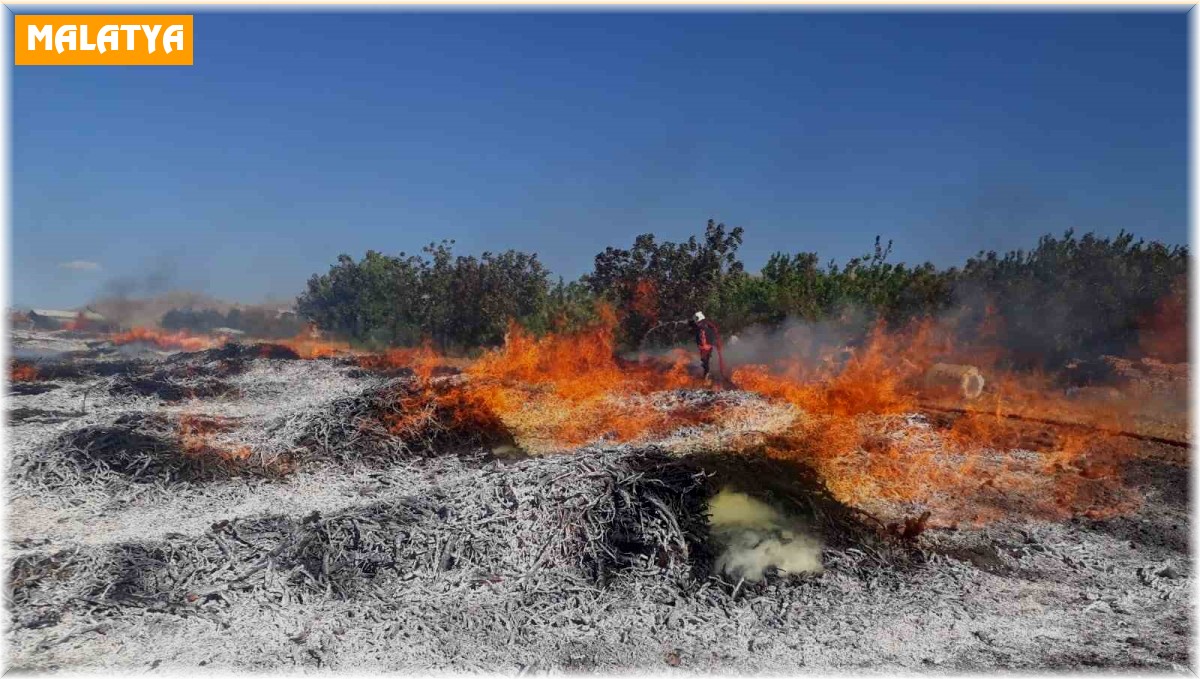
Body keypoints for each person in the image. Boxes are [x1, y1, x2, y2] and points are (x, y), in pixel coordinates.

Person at [690, 311, 726, 383]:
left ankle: (711, 378)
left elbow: (704, 338)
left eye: (696, 321)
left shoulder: (704, 327)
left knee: (707, 362)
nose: (696, 323)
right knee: (706, 362)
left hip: (708, 347)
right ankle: (709, 376)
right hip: (709, 347)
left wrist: (704, 346)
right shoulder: (706, 325)